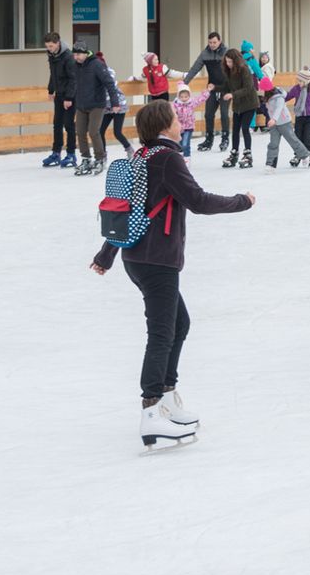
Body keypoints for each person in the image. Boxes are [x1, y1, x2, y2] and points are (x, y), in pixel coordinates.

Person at [91, 99, 255, 450]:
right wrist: (242, 201)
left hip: (138, 257)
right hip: (157, 259)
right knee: (163, 332)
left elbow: (128, 211)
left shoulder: (142, 156)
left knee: (179, 324)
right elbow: (198, 201)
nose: (182, 123)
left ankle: (166, 396)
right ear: (166, 126)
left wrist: (106, 254)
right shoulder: (167, 158)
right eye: (177, 119)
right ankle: (151, 410)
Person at [67, 41, 121, 175]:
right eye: (74, 54)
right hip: (81, 104)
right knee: (80, 132)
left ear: (86, 53)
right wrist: (68, 97)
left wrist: (115, 103)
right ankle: (86, 159)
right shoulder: (75, 66)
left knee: (93, 132)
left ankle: (100, 159)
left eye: (78, 54)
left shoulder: (97, 64)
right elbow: (73, 83)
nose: (76, 57)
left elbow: (109, 83)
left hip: (97, 104)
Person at [184, 32, 230, 152]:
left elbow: (235, 68)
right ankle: (209, 139)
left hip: (225, 88)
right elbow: (195, 68)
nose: (212, 45)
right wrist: (185, 83)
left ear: (219, 41)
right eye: (210, 42)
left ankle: (225, 138)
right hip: (212, 88)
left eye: (214, 42)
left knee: (224, 113)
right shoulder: (205, 54)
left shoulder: (226, 53)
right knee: (208, 114)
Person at [260, 77, 310, 170]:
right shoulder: (267, 96)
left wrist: (274, 119)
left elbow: (278, 108)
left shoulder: (278, 97)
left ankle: (305, 156)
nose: (262, 91)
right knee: (273, 144)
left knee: (292, 140)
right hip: (274, 125)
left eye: (263, 89)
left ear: (267, 88)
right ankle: (270, 164)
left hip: (284, 122)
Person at [220, 49, 260, 169]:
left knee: (245, 128)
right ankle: (234, 153)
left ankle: (248, 155)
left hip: (249, 103)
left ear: (236, 60)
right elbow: (226, 86)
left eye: (230, 61)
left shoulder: (244, 69)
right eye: (227, 61)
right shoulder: (228, 71)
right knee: (235, 129)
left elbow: (248, 88)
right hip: (238, 105)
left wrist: (232, 95)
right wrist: (214, 88)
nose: (228, 64)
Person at [43, 33, 78, 167]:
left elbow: (73, 79)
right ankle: (56, 152)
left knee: (68, 124)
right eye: (47, 46)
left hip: (70, 96)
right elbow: (53, 74)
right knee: (57, 124)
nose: (49, 49)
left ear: (58, 43)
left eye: (51, 46)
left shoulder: (68, 56)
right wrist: (51, 90)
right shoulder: (52, 55)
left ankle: (71, 154)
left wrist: (69, 98)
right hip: (59, 94)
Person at [98, 59, 133, 156]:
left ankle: (129, 149)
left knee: (117, 132)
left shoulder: (108, 75)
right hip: (107, 107)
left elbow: (108, 90)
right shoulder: (96, 75)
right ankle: (103, 154)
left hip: (118, 105)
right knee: (100, 131)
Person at [171, 84, 199, 155]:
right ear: (178, 96)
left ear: (189, 96)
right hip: (179, 128)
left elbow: (200, 99)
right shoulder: (176, 104)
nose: (184, 99)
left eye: (186, 97)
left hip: (189, 127)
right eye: (182, 97)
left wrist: (207, 91)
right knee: (179, 145)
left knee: (185, 144)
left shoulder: (191, 103)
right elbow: (171, 110)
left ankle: (187, 158)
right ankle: (180, 158)